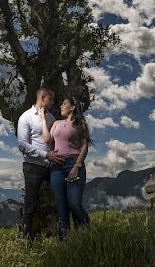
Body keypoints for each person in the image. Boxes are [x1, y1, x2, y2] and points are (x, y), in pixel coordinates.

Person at [17, 87, 65, 240]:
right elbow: (22, 145)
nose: (52, 103)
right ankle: (26, 240)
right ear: (42, 97)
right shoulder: (26, 117)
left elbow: (53, 140)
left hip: (52, 166)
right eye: (50, 99)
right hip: (33, 167)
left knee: (58, 200)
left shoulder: (50, 118)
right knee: (30, 206)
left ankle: (59, 236)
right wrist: (46, 155)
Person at [40, 95, 90, 240]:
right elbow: (48, 139)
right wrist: (43, 120)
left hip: (73, 164)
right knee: (62, 207)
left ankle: (89, 234)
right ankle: (65, 244)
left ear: (73, 107)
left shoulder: (80, 124)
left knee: (74, 205)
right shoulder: (56, 123)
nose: (61, 106)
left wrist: (76, 166)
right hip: (56, 166)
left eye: (64, 104)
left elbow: (84, 147)